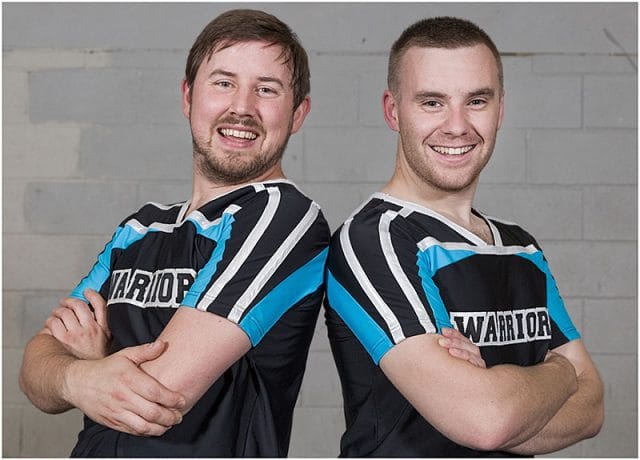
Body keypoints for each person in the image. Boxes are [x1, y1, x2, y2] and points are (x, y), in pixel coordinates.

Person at [19, 9, 329, 457]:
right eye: (223, 83)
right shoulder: (138, 228)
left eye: (266, 89)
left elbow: (156, 396)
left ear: (298, 113)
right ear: (188, 97)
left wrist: (89, 365)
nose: (241, 107)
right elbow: (34, 372)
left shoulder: (282, 216)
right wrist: (77, 378)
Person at [324, 16, 604, 457]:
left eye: (476, 100)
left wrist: (496, 394)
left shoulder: (521, 247)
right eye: (432, 102)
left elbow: (592, 410)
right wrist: (563, 374)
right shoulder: (375, 240)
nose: (457, 126)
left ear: (500, 109)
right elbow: (484, 423)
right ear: (393, 111)